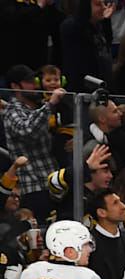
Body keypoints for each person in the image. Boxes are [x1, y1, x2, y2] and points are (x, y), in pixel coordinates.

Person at [3, 64, 67, 221]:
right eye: (29, 82)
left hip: (54, 182)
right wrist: (50, 104)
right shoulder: (13, 111)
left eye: (35, 80)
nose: (35, 85)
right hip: (34, 187)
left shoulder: (37, 108)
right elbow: (28, 130)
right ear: (15, 86)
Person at [84, 190, 125, 279]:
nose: (124, 206)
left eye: (120, 201)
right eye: (115, 203)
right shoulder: (87, 245)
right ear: (102, 212)